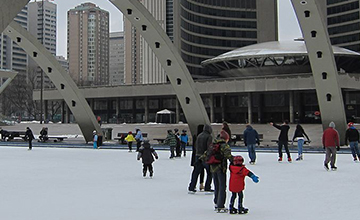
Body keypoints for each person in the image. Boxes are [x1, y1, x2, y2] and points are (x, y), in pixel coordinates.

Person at [203, 130, 233, 213]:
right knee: (222, 186)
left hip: (213, 167)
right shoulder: (224, 145)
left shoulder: (213, 144)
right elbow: (228, 155)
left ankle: (216, 203)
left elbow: (206, 154)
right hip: (221, 168)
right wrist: (234, 161)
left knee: (216, 186)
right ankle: (221, 205)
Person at [188, 124, 213, 193]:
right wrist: (208, 156)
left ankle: (192, 186)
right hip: (205, 157)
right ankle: (207, 187)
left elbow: (196, 146)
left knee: (196, 172)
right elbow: (209, 147)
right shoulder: (209, 136)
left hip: (197, 156)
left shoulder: (199, 136)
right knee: (209, 172)